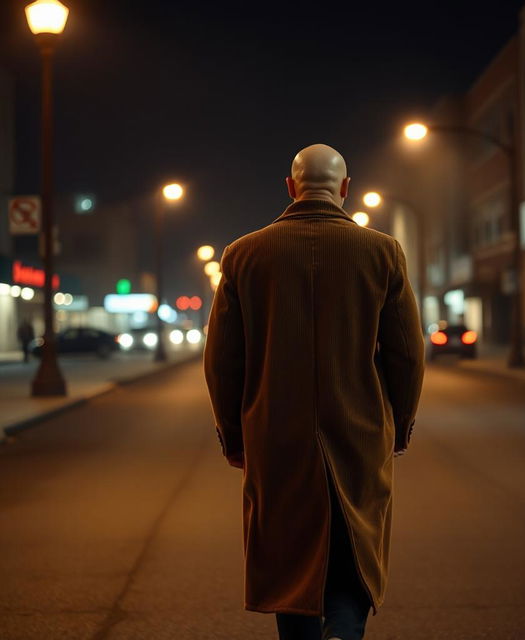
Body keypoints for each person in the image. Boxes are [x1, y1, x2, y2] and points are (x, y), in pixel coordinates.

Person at [203, 144, 425, 640]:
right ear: (345, 189)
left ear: (290, 187)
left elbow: (221, 361)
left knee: (290, 566)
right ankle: (343, 631)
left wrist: (234, 435)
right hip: (359, 433)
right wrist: (400, 425)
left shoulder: (242, 255)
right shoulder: (383, 252)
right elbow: (407, 354)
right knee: (354, 559)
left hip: (276, 439)